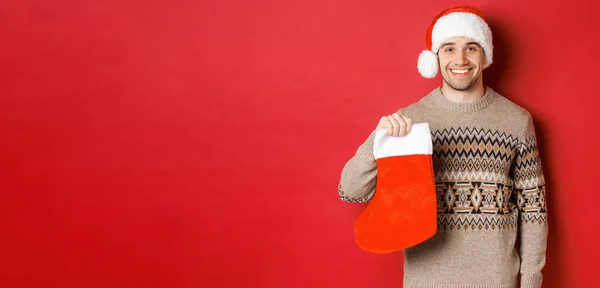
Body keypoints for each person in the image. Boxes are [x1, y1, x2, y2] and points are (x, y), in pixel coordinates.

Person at [337, 5, 548, 288]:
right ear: (435, 57)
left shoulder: (516, 122)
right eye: (449, 48)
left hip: (496, 280)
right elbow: (350, 191)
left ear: (484, 54)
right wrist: (378, 139)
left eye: (471, 47)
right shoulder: (409, 122)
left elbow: (533, 209)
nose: (460, 58)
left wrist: (531, 281)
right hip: (426, 281)